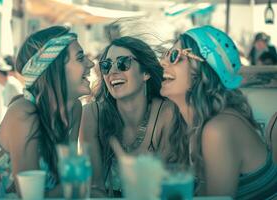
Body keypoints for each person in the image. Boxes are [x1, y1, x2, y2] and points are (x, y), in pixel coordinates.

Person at [160, 25, 277, 199]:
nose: (163, 62)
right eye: (166, 55)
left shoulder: (217, 130)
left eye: (175, 56)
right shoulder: (189, 123)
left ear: (202, 71)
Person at [0, 25, 94, 198]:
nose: (91, 63)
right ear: (55, 68)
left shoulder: (75, 109)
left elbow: (65, 177)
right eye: (80, 57)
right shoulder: (24, 113)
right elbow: (30, 196)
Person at [80, 36, 185, 197]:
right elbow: (95, 188)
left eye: (123, 63)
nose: (113, 72)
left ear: (146, 73)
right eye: (106, 66)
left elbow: (167, 185)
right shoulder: (92, 114)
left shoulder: (166, 113)